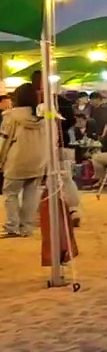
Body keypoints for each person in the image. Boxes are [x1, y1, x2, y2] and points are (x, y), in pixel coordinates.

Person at [0, 83, 46, 238]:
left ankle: (12, 226)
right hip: (38, 161)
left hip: (16, 160)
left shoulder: (11, 116)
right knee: (31, 195)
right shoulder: (42, 116)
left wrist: (0, 160)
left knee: (11, 193)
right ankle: (26, 227)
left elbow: (4, 141)